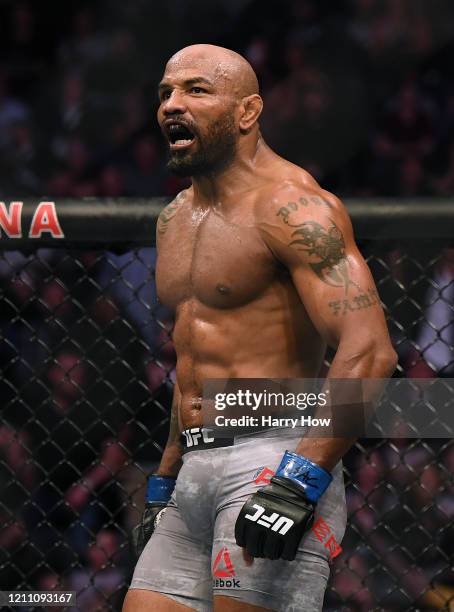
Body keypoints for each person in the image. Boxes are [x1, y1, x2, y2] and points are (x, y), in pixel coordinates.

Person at [123, 44, 397, 612]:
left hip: (274, 456)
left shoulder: (293, 207)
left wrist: (300, 480)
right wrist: (165, 477)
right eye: (165, 93)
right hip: (195, 465)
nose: (172, 105)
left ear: (248, 112)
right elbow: (192, 357)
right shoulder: (174, 218)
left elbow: (369, 350)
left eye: (196, 90)